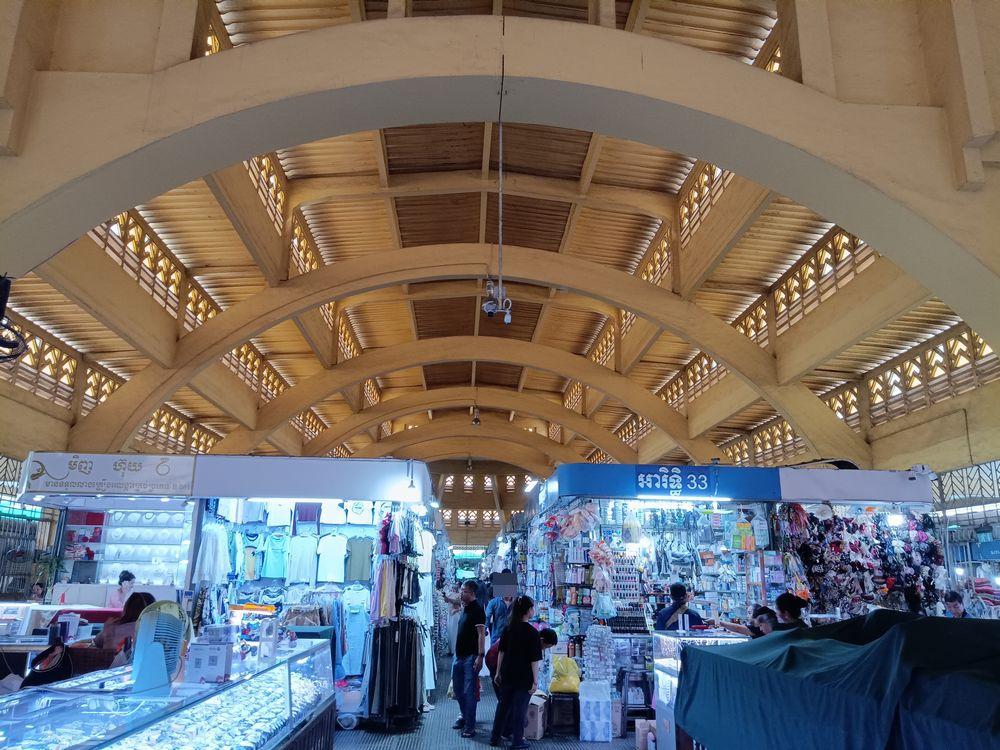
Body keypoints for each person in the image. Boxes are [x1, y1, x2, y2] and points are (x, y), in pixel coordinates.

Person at [490, 596, 545, 749]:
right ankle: (517, 742)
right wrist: (535, 681)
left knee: (503, 707)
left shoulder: (508, 628)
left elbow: (501, 652)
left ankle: (495, 738)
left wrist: (498, 672)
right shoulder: (532, 633)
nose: (533, 611)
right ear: (528, 611)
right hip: (524, 677)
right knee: (519, 710)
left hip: (507, 673)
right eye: (532, 608)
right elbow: (534, 660)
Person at [452, 580, 486, 738]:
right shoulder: (465, 607)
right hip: (459, 656)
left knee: (469, 692)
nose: (461, 593)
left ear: (472, 593)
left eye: (464, 591)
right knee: (458, 690)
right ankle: (465, 716)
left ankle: (470, 726)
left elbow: (481, 634)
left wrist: (480, 656)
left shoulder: (478, 610)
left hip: (471, 657)